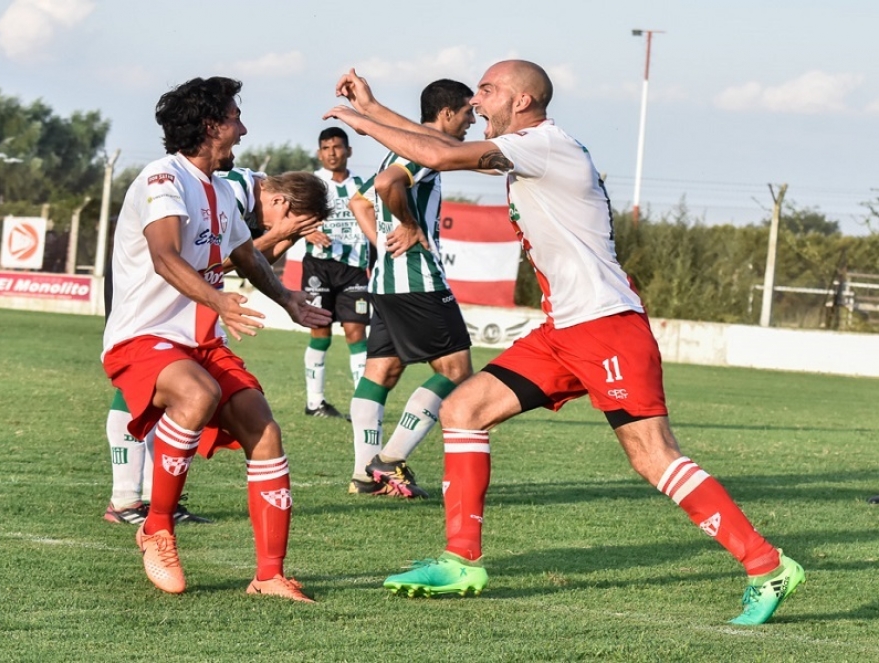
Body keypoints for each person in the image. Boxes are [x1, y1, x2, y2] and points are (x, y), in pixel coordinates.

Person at [325, 61, 805, 625]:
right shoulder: (525, 146)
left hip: (606, 327)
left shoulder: (543, 144)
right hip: (563, 331)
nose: (475, 102)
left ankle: (765, 564)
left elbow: (438, 155)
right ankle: (461, 561)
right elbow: (436, 141)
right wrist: (374, 109)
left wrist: (360, 119)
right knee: (463, 407)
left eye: (487, 91)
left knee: (653, 455)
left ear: (523, 100)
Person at [103, 76, 331, 599]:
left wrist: (289, 300)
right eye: (234, 117)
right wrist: (220, 300)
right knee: (197, 393)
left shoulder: (219, 188)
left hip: (197, 341)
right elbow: (165, 257)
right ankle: (156, 527)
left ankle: (269, 575)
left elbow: (247, 256)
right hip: (143, 335)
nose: (243, 127)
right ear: (211, 126)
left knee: (264, 430)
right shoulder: (163, 179)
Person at [103, 167, 328, 526]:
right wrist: (278, 236)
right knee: (138, 387)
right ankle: (127, 499)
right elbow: (211, 262)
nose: (276, 229)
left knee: (184, 393)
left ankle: (152, 499)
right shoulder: (234, 190)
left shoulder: (257, 205)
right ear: (280, 201)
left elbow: (247, 264)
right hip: (146, 291)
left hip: (181, 304)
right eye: (293, 223)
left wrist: (285, 250)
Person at [344, 80, 476, 498]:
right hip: (417, 282)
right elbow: (385, 185)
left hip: (387, 281)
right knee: (456, 373)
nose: (473, 120)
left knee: (381, 372)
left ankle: (365, 475)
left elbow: (358, 202)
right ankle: (388, 460)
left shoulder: (402, 145)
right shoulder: (423, 152)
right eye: (469, 112)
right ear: (448, 113)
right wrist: (409, 226)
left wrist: (381, 245)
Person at [297, 127, 370, 420]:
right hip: (318, 267)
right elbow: (286, 215)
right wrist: (307, 230)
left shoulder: (363, 186)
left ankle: (362, 405)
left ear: (348, 151)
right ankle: (315, 403)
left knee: (356, 334)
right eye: (326, 148)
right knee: (321, 334)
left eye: (337, 147)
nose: (332, 152)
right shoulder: (311, 184)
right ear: (319, 153)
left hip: (353, 269)